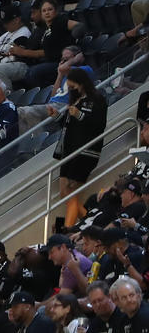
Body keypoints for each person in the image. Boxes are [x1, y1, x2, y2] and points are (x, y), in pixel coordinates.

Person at [51, 68, 107, 227]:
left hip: (85, 151)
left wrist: (79, 115)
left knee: (72, 191)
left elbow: (99, 125)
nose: (71, 89)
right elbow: (70, 124)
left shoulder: (97, 99)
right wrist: (56, 116)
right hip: (68, 150)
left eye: (73, 85)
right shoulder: (75, 100)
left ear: (82, 83)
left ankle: (68, 229)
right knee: (65, 193)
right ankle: (90, 221)